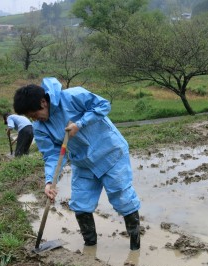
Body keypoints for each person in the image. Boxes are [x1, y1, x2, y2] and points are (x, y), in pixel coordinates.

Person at [13, 77, 141, 250]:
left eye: (35, 115)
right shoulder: (40, 128)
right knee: (80, 203)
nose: (36, 120)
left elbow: (103, 105)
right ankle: (90, 246)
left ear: (43, 102)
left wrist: (80, 124)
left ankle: (135, 247)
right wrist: (50, 181)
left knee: (122, 198)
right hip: (83, 163)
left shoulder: (73, 96)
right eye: (30, 118)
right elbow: (51, 155)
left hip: (110, 153)